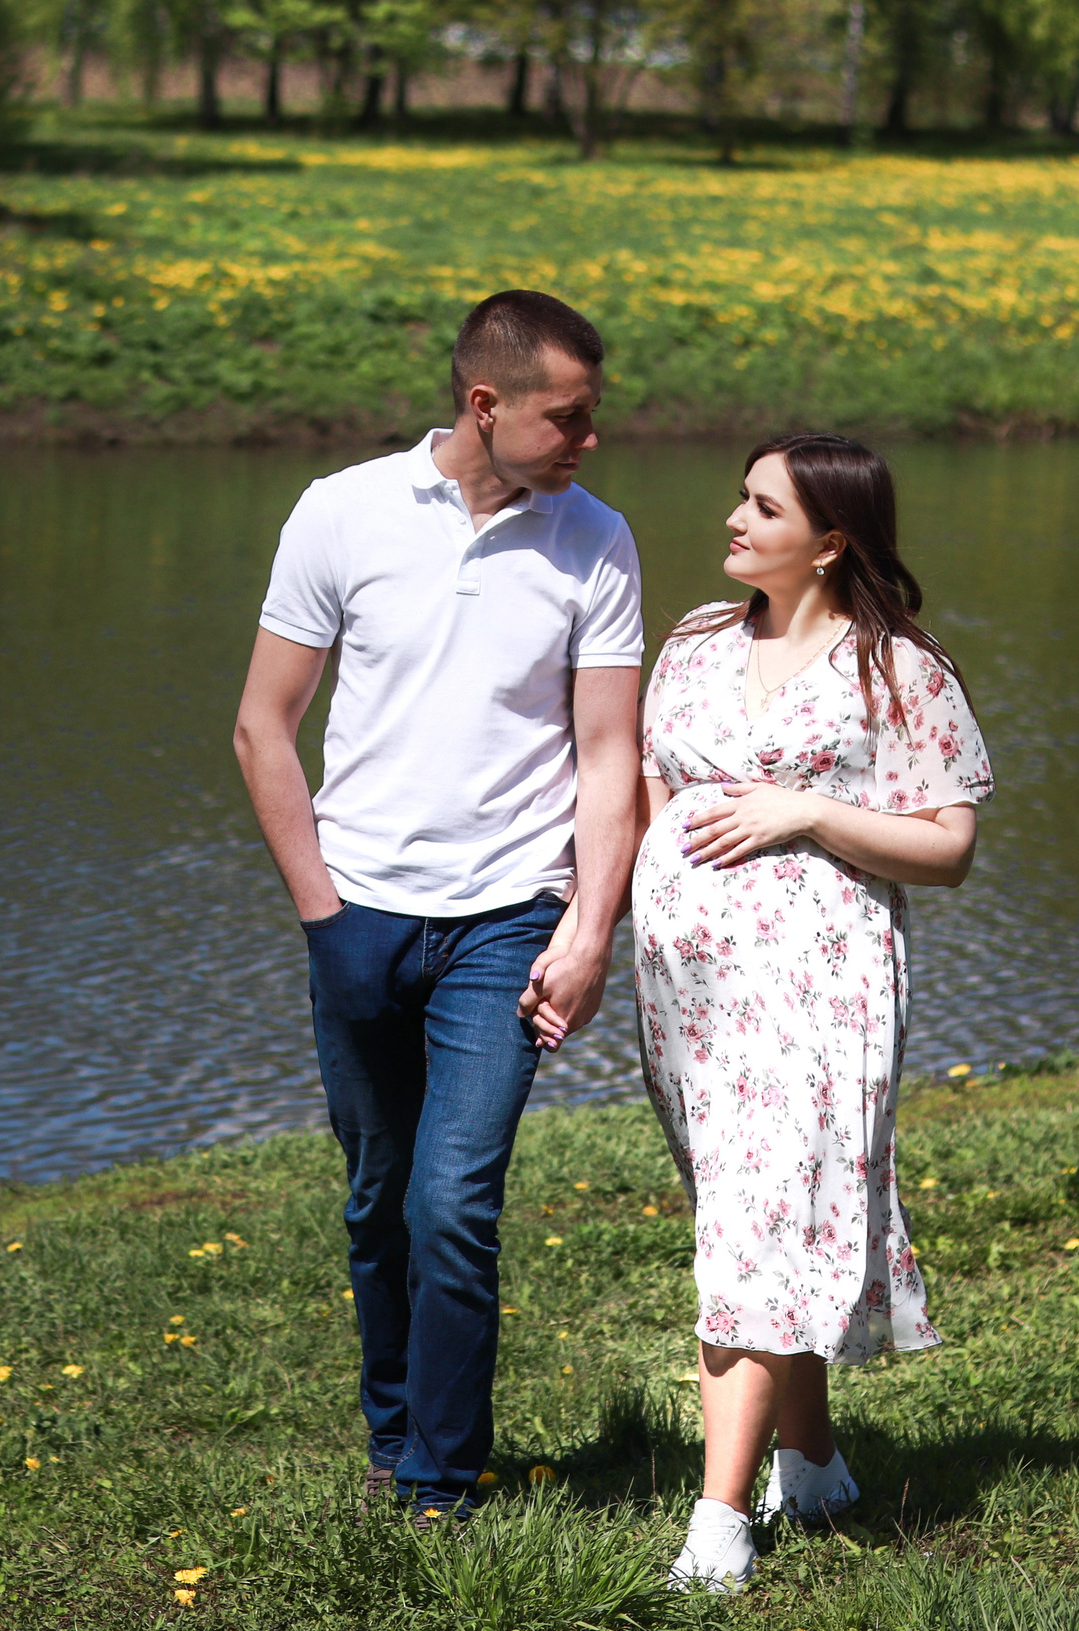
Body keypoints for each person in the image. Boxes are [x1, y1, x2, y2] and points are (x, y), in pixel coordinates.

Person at [232, 290, 642, 1525]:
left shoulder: (597, 540)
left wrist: (586, 934)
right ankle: (393, 1430)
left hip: (509, 921)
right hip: (357, 910)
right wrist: (323, 910)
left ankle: (438, 1484)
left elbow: (613, 757)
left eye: (590, 416)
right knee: (378, 1196)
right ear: (484, 404)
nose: (586, 440)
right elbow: (264, 725)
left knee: (453, 1202)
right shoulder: (341, 511)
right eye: (565, 417)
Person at [632, 433, 992, 1590]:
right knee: (757, 1215)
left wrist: (806, 814)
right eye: (740, 497)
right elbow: (652, 797)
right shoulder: (691, 642)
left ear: (830, 542)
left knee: (749, 1228)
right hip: (686, 994)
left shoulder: (900, 670)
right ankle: (817, 1459)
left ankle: (718, 1526)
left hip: (818, 984)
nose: (733, 520)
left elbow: (947, 851)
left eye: (763, 507)